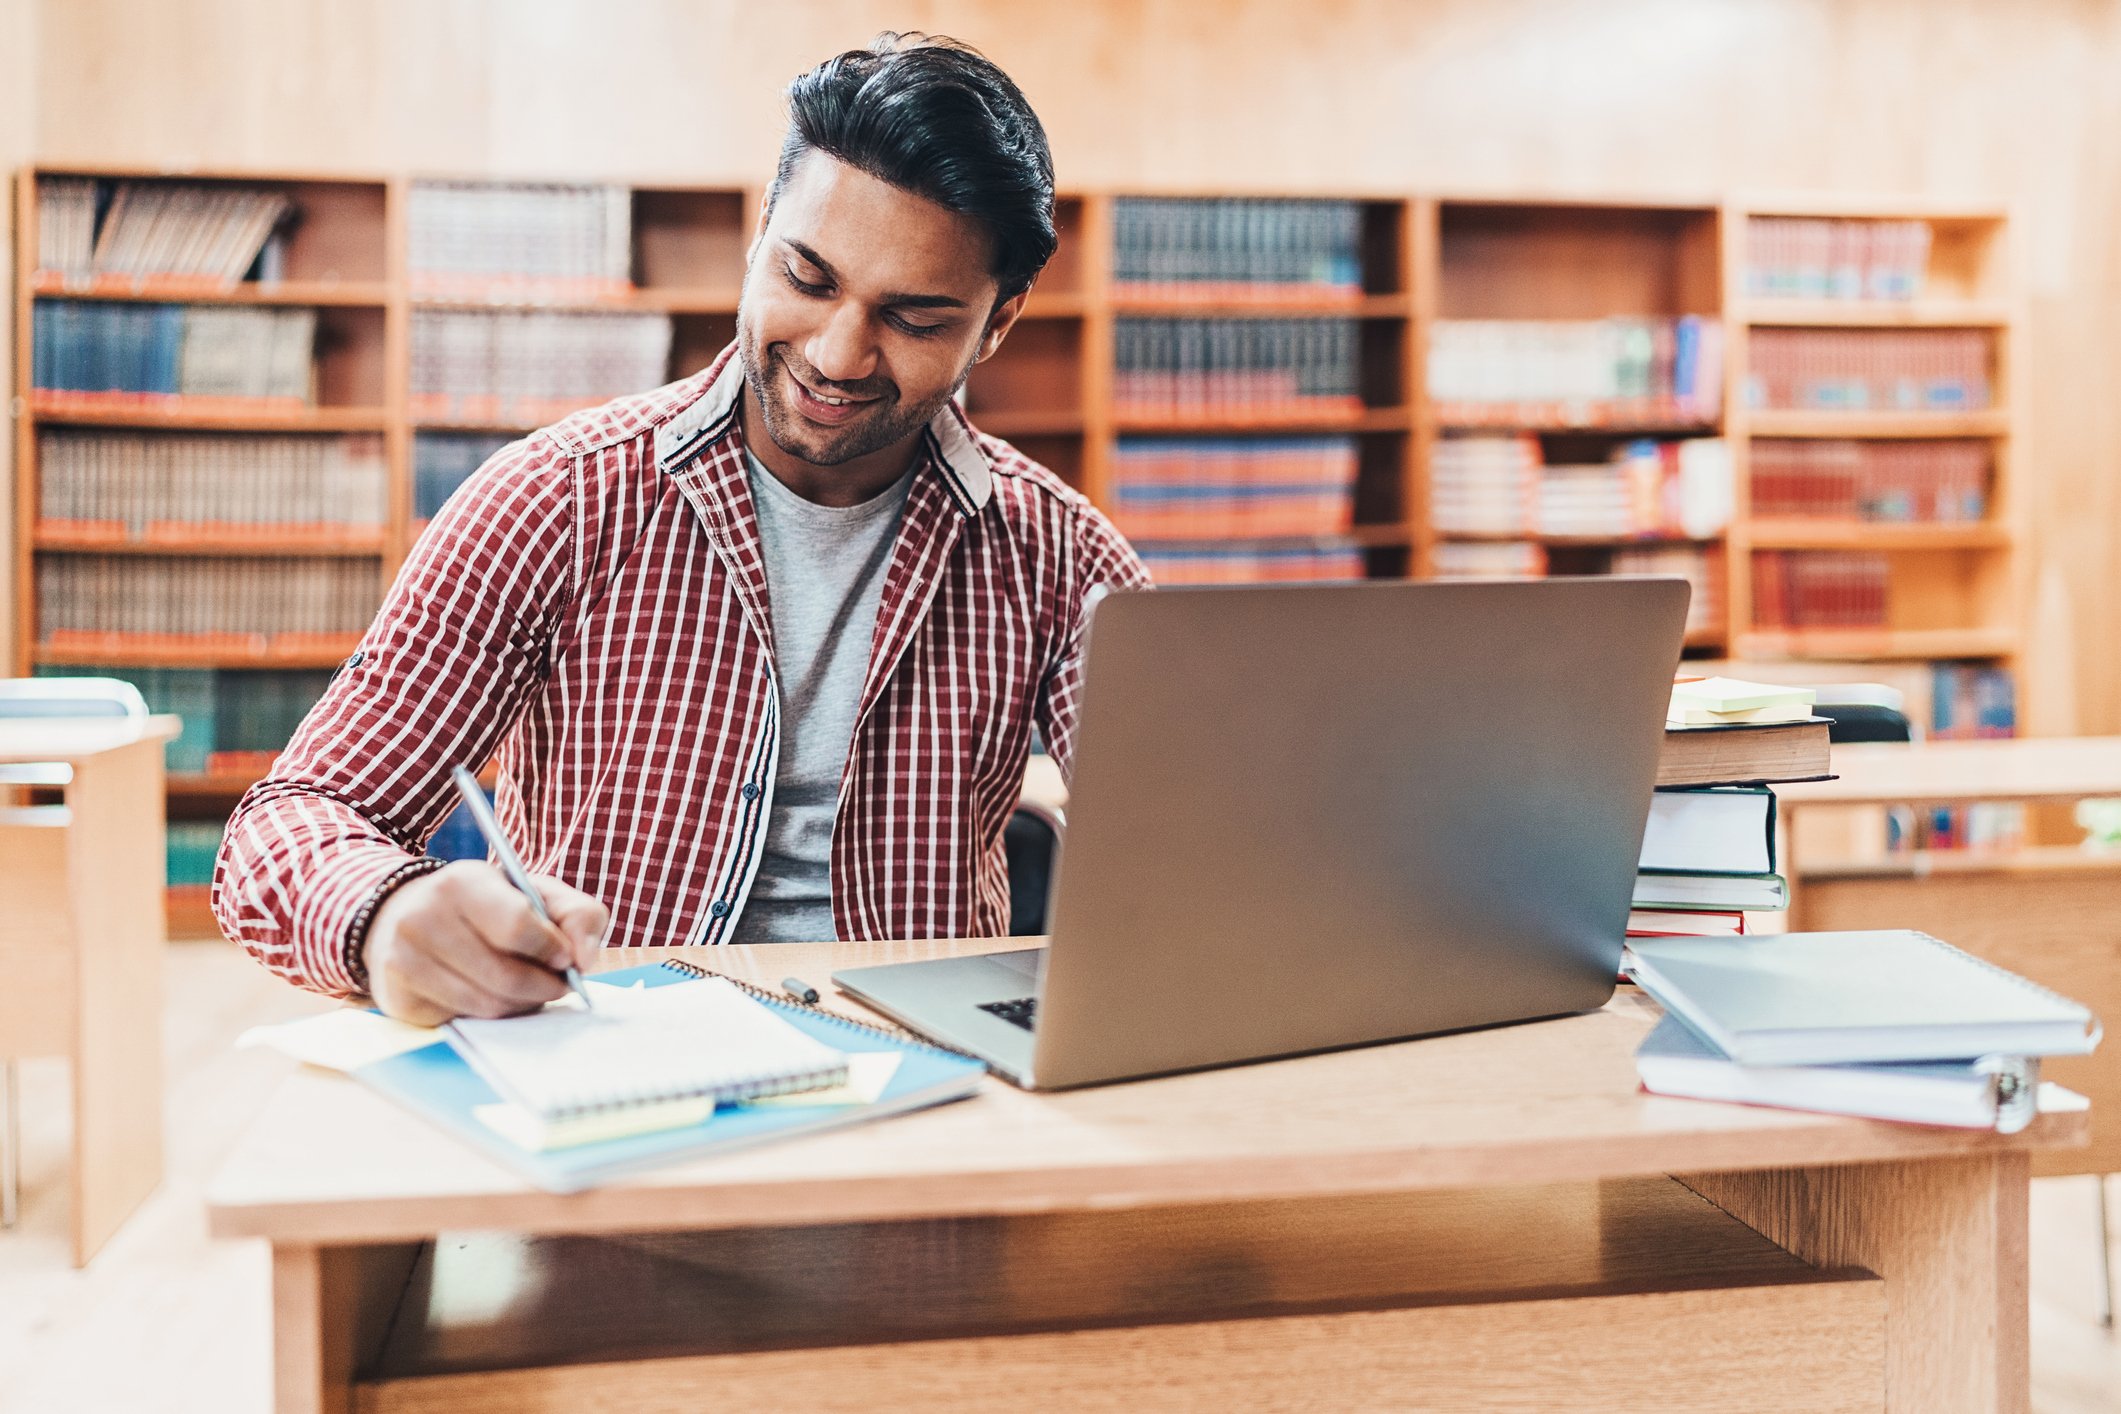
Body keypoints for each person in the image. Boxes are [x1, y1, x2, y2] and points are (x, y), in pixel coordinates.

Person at [213, 34, 1150, 1025]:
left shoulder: (1059, 556)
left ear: (995, 326)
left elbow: (1205, 848)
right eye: (808, 275)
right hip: (608, 1075)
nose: (837, 354)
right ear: (760, 235)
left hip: (933, 1095)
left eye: (914, 320)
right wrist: (385, 913)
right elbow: (293, 820)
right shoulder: (554, 498)